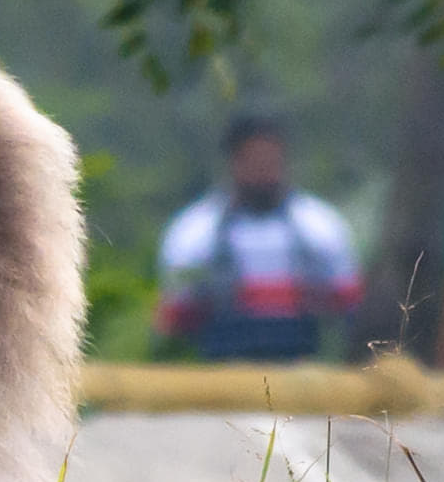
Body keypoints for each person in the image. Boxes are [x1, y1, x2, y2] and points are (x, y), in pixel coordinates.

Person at [153, 106, 362, 361]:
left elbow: (351, 309)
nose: (264, 170)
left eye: (271, 160)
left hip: (304, 374)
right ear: (234, 161)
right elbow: (173, 321)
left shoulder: (321, 226)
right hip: (220, 377)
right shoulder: (195, 233)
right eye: (254, 160)